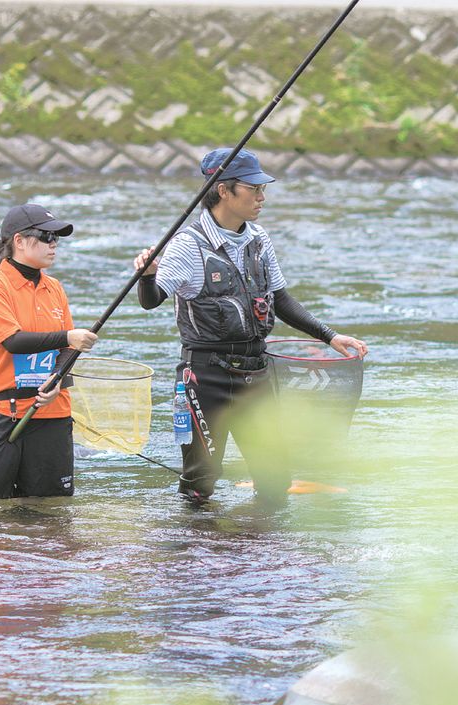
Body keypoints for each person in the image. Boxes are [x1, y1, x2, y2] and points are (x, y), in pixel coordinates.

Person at [134, 147, 368, 505]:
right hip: (205, 376)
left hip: (257, 372)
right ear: (224, 190)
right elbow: (152, 300)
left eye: (263, 188)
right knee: (202, 481)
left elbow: (281, 299)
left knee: (275, 480)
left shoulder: (259, 239)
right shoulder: (188, 245)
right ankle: (194, 555)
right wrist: (147, 275)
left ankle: (264, 556)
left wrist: (330, 336)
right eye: (253, 188)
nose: (262, 197)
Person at [0, 204, 98, 500]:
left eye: (56, 238)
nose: (53, 244)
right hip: (3, 413)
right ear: (19, 241)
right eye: (45, 236)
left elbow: (66, 349)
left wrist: (57, 378)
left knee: (51, 511)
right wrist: (68, 336)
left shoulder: (55, 288)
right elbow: (12, 340)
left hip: (53, 413)